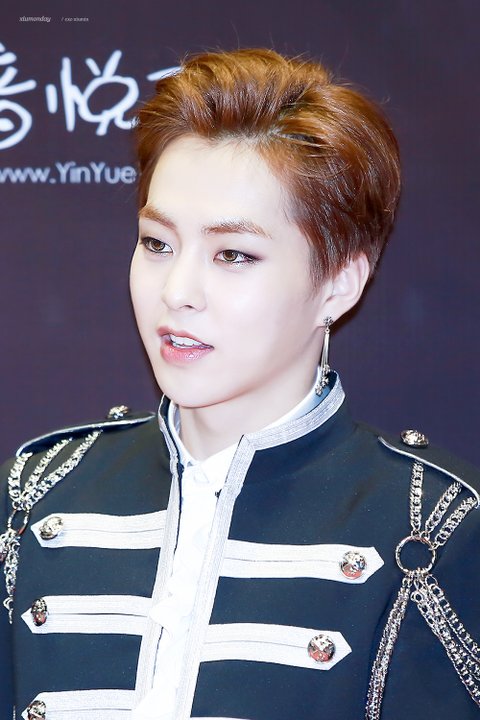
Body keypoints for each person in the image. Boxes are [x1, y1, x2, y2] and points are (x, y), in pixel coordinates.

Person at [1, 48, 479, 720]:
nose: (178, 291)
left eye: (233, 254)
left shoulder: (434, 526)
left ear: (339, 283)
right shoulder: (35, 493)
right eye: (157, 243)